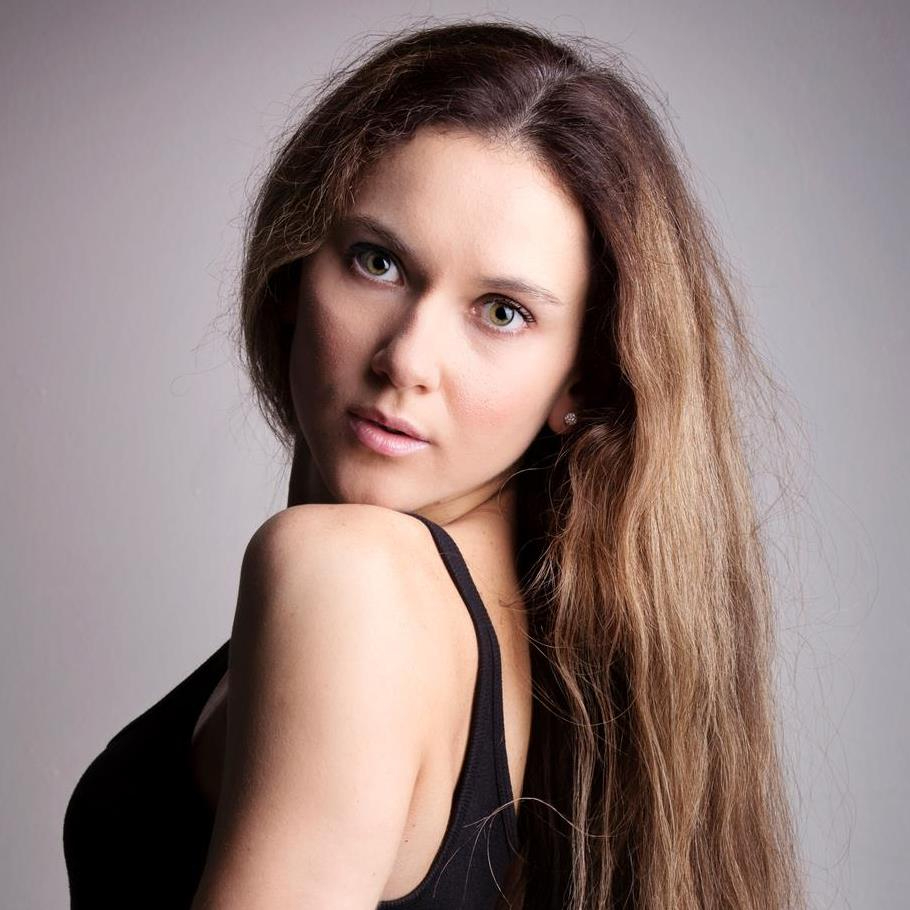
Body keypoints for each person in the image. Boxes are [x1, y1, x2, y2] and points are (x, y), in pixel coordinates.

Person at [62, 19, 806, 910]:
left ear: (582, 379)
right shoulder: (520, 641)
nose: (407, 359)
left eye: (501, 312)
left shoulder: (350, 581)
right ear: (296, 271)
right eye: (378, 262)